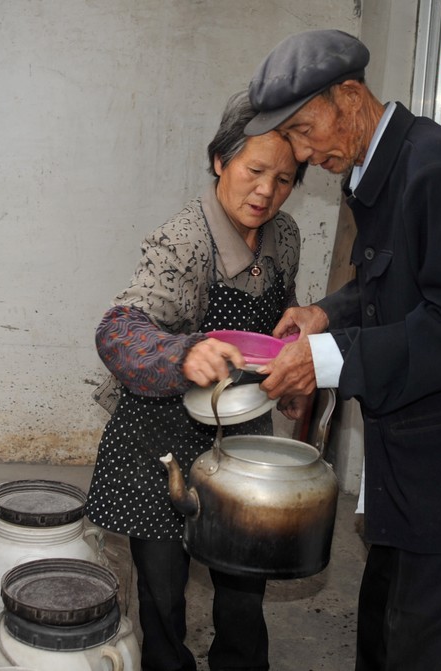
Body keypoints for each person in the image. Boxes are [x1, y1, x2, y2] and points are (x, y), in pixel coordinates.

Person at [246, 30, 441, 670]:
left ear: (349, 96)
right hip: (411, 466)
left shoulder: (435, 173)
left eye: (305, 131)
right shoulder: (381, 172)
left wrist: (326, 359)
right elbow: (394, 284)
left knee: (418, 650)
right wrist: (326, 314)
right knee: (381, 633)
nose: (303, 154)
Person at [85, 90, 306, 671]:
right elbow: (118, 329)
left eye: (284, 179)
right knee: (163, 593)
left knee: (245, 579)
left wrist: (290, 362)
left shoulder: (284, 237)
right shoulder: (183, 241)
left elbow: (281, 308)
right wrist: (184, 353)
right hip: (159, 441)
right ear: (219, 161)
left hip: (239, 436)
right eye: (254, 171)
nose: (266, 191)